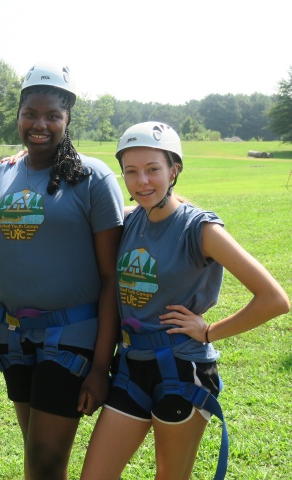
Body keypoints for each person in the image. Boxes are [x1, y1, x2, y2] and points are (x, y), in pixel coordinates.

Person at [79, 122, 290, 480]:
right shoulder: (129, 222)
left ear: (174, 170)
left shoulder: (201, 229)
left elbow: (274, 299)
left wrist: (208, 331)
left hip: (182, 370)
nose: (141, 181)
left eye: (152, 170)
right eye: (131, 172)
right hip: (131, 367)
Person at [0, 63, 124, 480]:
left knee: (45, 459)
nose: (40, 124)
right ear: (18, 115)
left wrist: (100, 365)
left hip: (72, 335)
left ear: (68, 119)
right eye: (30, 114)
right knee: (36, 457)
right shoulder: (3, 173)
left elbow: (111, 277)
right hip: (15, 335)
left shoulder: (93, 178)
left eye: (52, 116)